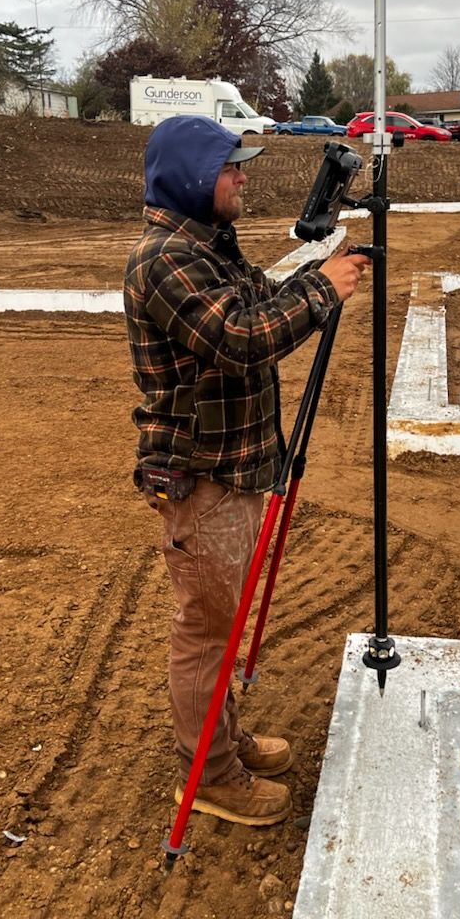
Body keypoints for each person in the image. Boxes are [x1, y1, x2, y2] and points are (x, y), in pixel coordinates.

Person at [124, 115, 370, 826]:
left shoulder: (207, 248)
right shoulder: (164, 259)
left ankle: (223, 742)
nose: (243, 178)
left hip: (232, 465)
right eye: (233, 168)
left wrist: (322, 267)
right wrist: (323, 291)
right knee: (207, 628)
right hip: (199, 473)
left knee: (225, 621)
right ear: (196, 177)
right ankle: (209, 775)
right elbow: (239, 337)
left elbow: (259, 299)